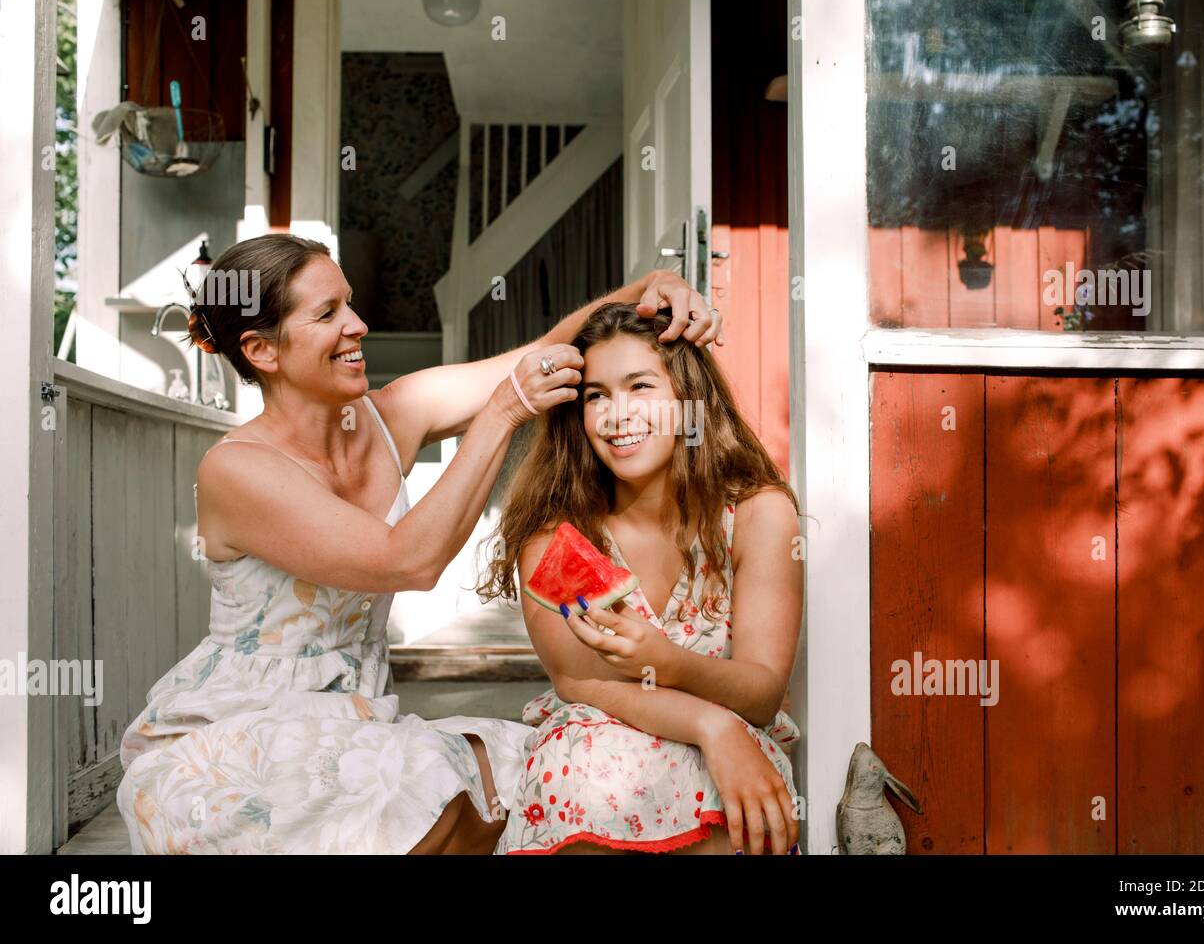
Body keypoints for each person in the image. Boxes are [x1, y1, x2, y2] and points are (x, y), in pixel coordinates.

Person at [115, 233, 721, 854]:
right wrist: (501, 414)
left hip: (357, 724)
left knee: (533, 771)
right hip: (241, 737)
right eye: (327, 314)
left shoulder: (388, 415)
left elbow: (544, 354)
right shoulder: (237, 469)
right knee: (423, 785)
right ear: (262, 350)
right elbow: (407, 560)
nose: (358, 324)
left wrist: (647, 290)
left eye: (348, 303)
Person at [478, 302, 803, 855]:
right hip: (598, 744)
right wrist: (711, 724)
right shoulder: (555, 538)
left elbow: (764, 693)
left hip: (729, 751)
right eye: (596, 396)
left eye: (640, 386)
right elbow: (582, 684)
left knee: (719, 789)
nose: (616, 414)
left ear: (689, 401)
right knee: (581, 769)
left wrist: (672, 667)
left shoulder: (757, 515)